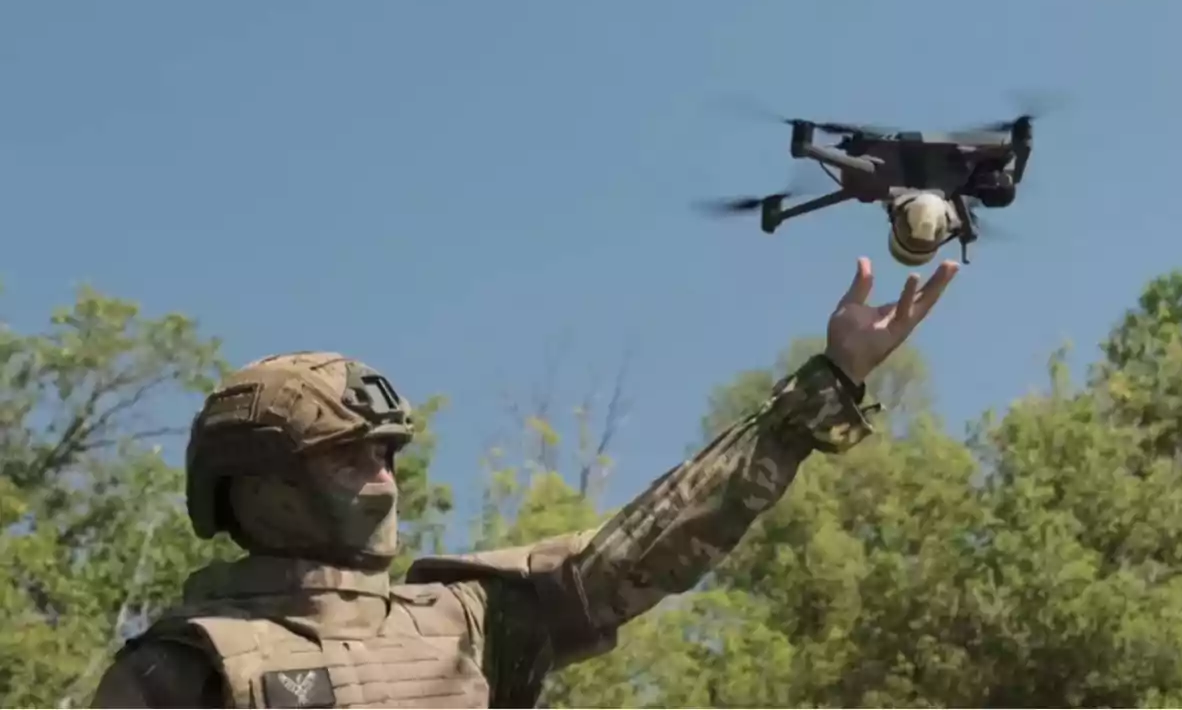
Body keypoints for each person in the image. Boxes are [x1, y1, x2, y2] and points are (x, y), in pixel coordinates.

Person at [91, 256, 958, 709]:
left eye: (389, 456)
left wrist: (824, 392)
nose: (385, 486)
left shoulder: (463, 622)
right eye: (349, 458)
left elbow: (634, 556)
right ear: (259, 489)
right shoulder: (185, 669)